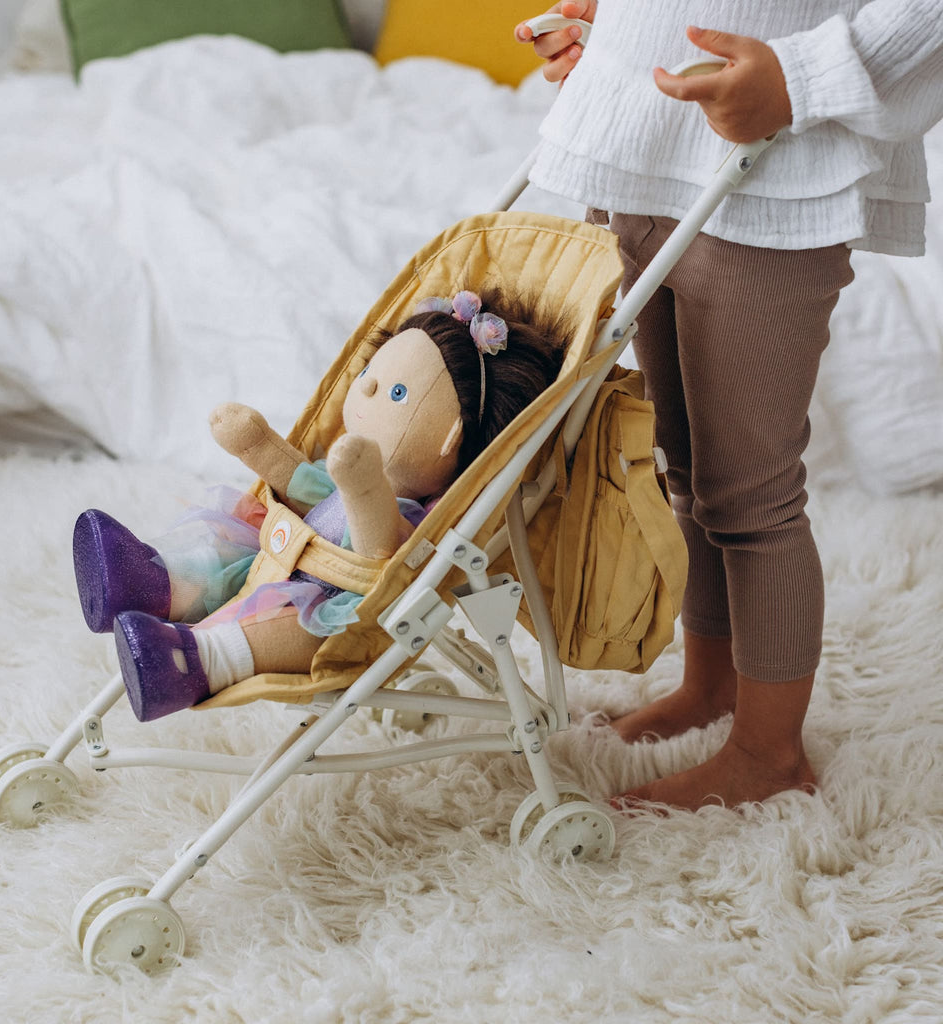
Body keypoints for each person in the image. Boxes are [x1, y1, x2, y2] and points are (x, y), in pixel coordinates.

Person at [516, 0, 943, 810]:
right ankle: (709, 687)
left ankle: (769, 751)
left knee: (751, 490)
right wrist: (614, 27)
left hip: (774, 166)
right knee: (681, 463)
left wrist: (802, 79)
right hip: (640, 146)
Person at [72, 289, 569, 721]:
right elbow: (299, 483)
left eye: (397, 393)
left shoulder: (418, 515)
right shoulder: (338, 472)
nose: (368, 386)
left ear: (452, 437)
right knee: (224, 553)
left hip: (330, 611)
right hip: (272, 561)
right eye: (374, 371)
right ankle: (145, 580)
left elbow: (379, 547)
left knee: (289, 627)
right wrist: (256, 443)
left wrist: (365, 487)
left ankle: (193, 661)